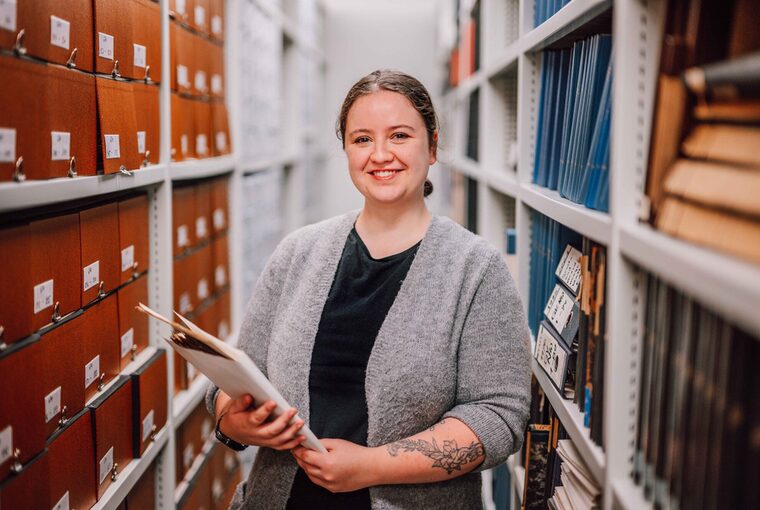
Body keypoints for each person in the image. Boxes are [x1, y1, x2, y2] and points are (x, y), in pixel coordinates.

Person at [206, 69, 531, 509]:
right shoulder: (297, 254)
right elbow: (241, 373)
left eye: (399, 135)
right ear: (345, 149)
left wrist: (372, 466)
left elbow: (499, 416)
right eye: (362, 139)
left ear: (432, 146)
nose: (380, 155)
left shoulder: (477, 269)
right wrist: (233, 420)